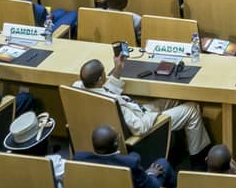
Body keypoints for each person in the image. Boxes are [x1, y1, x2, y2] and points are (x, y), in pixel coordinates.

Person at [75, 57, 212, 156]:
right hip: (143, 126)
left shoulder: (79, 89)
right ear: (100, 79)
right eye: (104, 73)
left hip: (137, 111)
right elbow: (140, 128)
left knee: (174, 98)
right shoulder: (112, 104)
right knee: (192, 109)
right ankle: (198, 160)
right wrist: (154, 114)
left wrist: (117, 70)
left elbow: (105, 91)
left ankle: (175, 148)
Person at [73, 123, 175, 188]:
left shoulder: (78, 159)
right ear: (116, 144)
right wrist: (150, 174)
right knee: (162, 163)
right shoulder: (130, 164)